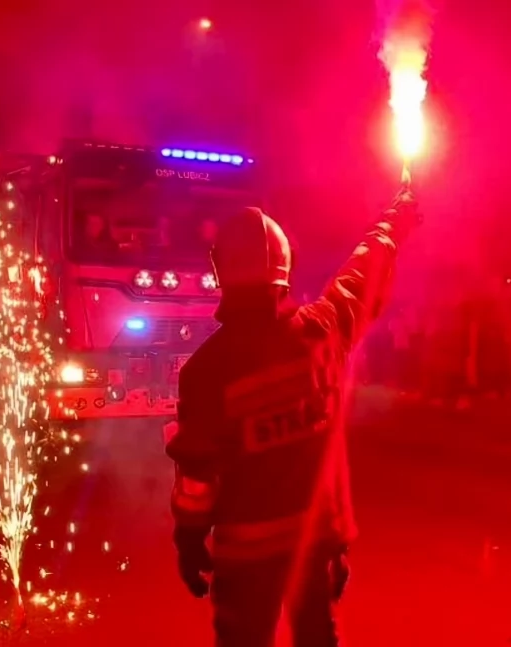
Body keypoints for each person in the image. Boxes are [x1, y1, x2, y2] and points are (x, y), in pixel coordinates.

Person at [165, 189, 420, 646]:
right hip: (315, 545)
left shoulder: (206, 371)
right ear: (284, 269)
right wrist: (393, 221)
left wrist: (188, 539)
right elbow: (361, 276)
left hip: (245, 559)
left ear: (221, 270)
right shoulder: (321, 332)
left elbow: (197, 479)